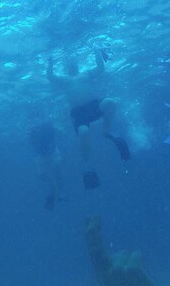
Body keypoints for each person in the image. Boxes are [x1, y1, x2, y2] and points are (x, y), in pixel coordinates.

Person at [46, 50, 130, 190]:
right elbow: (50, 77)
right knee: (83, 131)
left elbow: (100, 68)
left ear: (77, 65)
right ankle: (87, 165)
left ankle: (106, 132)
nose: (73, 66)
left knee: (111, 103)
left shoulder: (85, 74)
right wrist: (50, 63)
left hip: (93, 105)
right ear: (67, 67)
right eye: (70, 64)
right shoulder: (64, 79)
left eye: (74, 64)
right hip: (79, 114)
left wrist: (97, 52)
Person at [29, 121, 63, 210]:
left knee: (56, 173)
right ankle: (54, 192)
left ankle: (59, 193)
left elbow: (59, 131)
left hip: (50, 154)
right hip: (43, 155)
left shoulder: (44, 129)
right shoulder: (34, 132)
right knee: (46, 175)